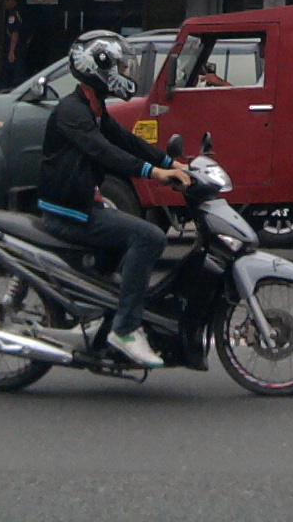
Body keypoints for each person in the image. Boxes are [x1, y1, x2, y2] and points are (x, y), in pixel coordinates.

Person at [35, 31, 190, 368]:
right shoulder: (72, 112)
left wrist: (170, 163)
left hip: (82, 202)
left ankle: (104, 308)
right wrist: (154, 173)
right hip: (69, 211)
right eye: (119, 65)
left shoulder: (94, 109)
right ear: (97, 67)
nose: (124, 72)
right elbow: (105, 153)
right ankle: (126, 327)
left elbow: (127, 142)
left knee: (130, 239)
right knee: (149, 236)